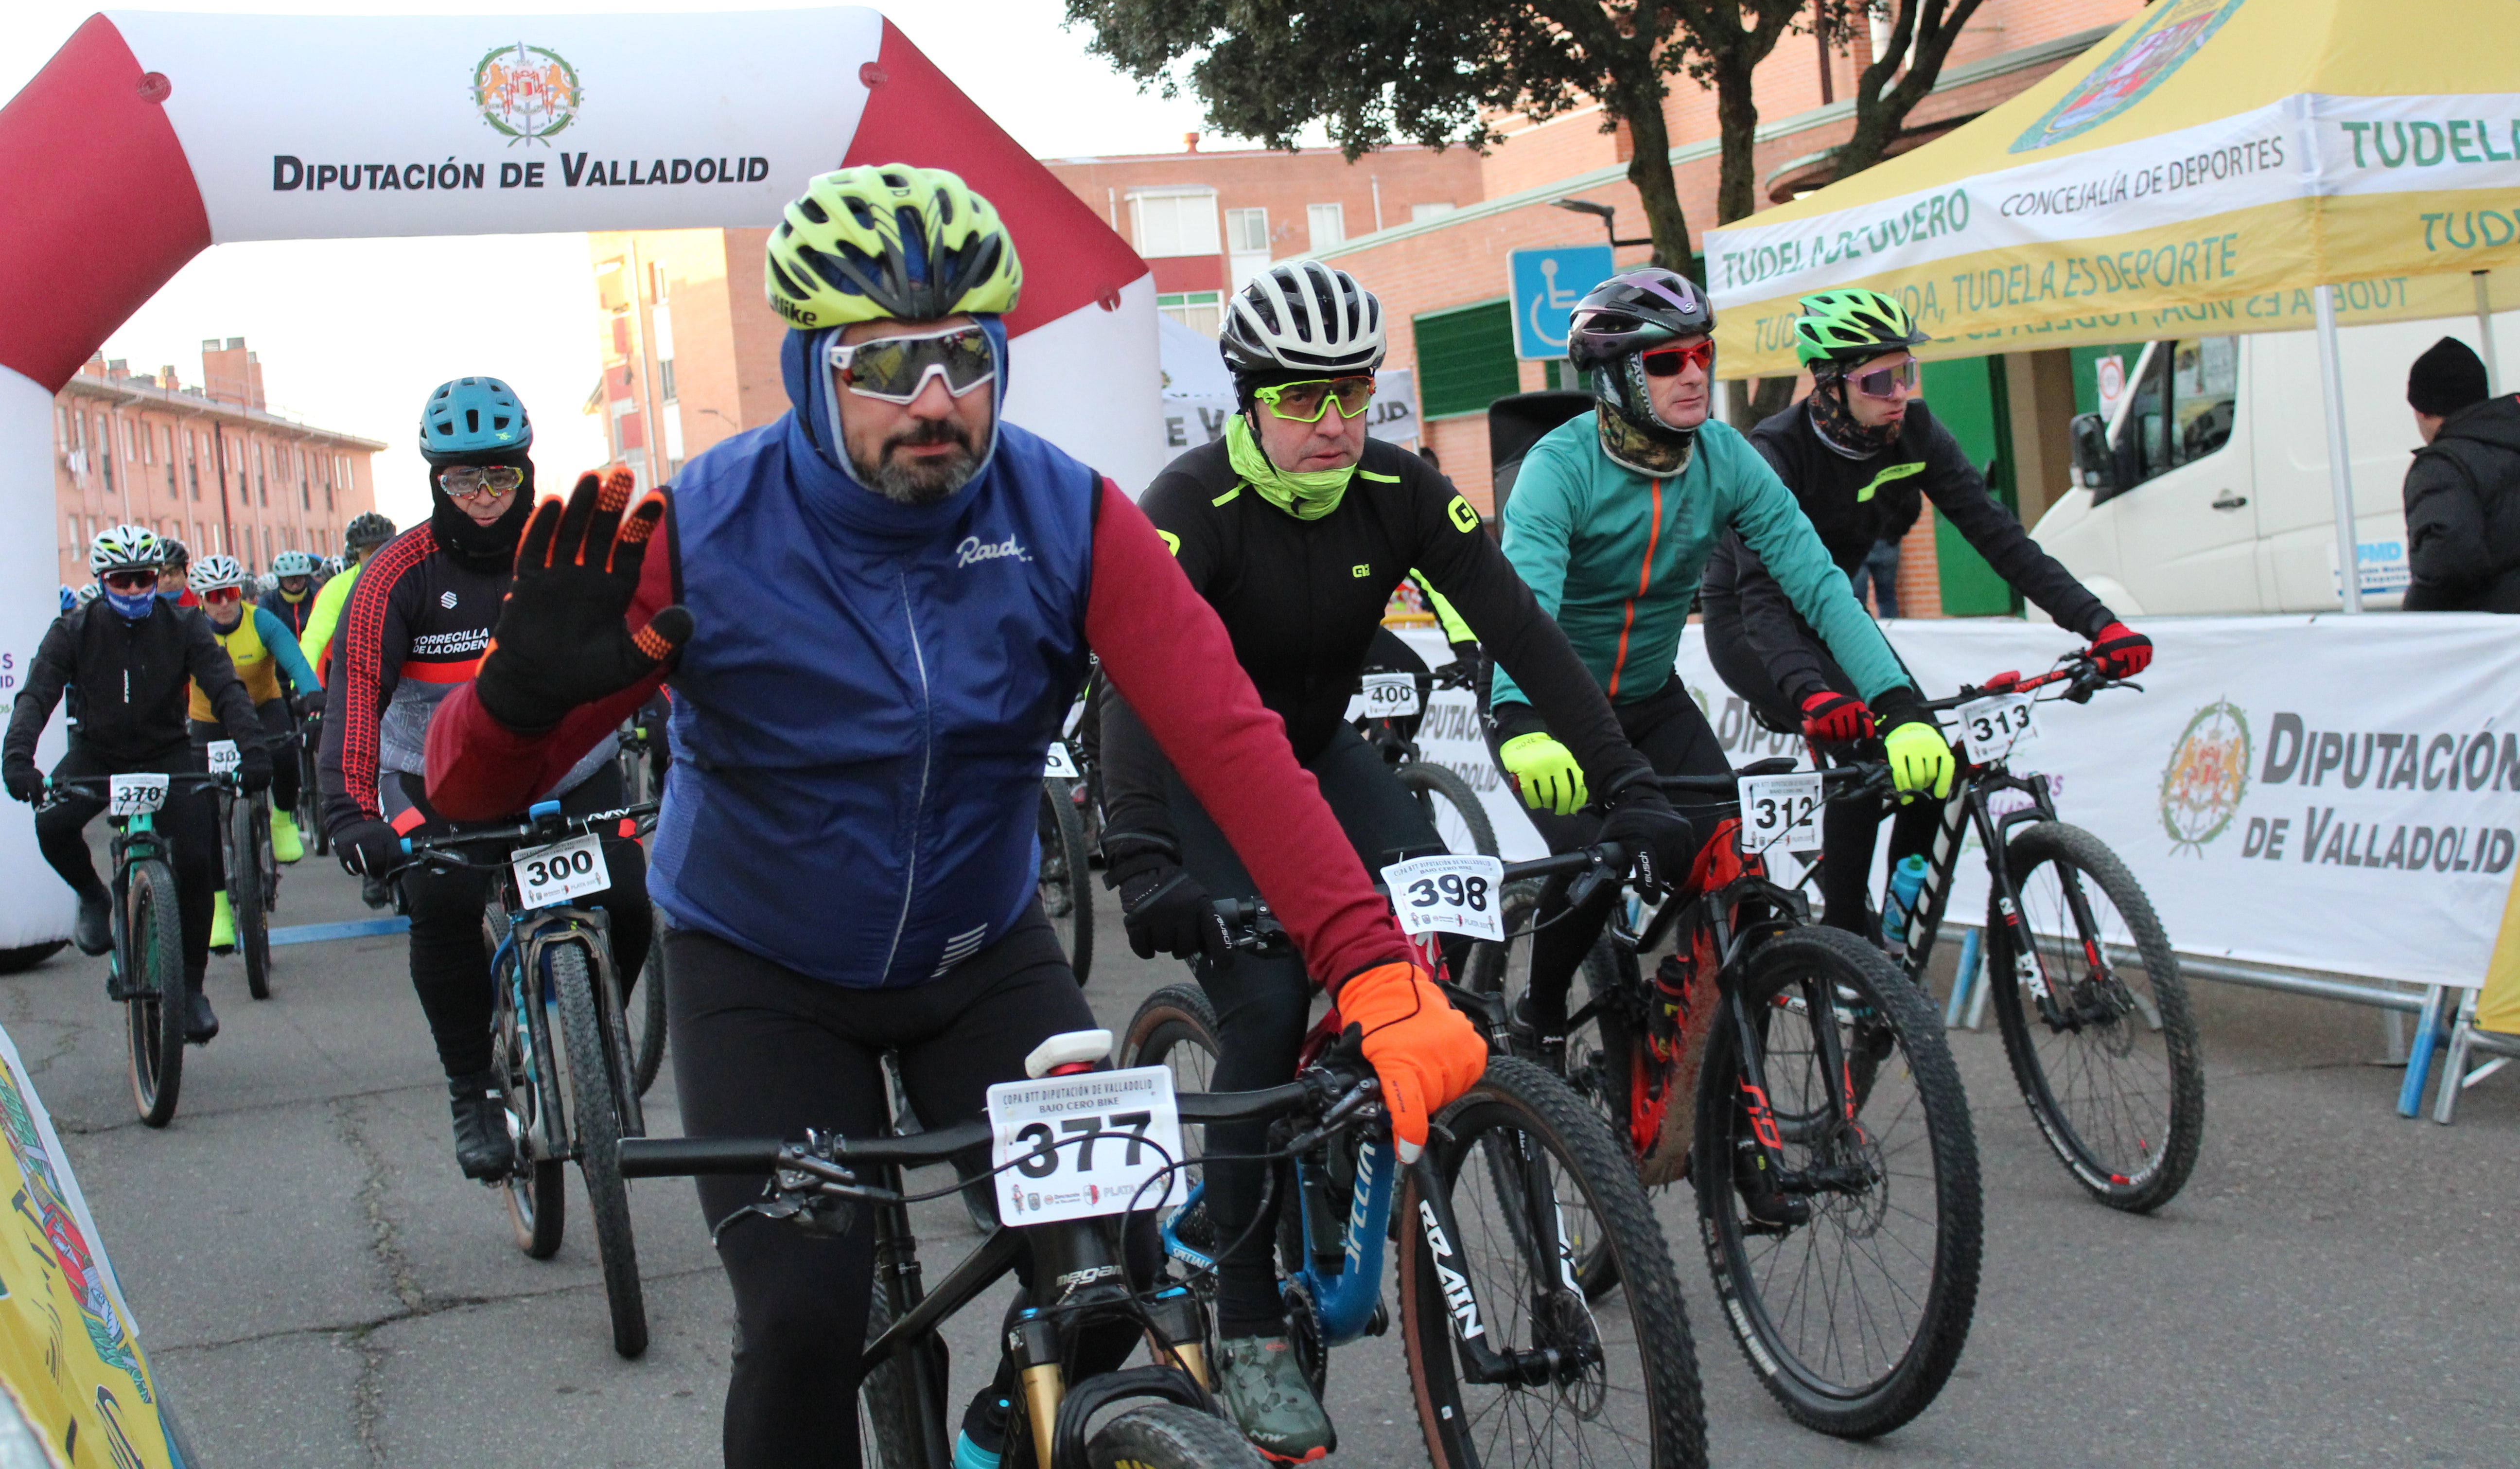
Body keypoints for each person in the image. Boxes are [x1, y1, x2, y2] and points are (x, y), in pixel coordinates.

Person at [419, 165, 1488, 1469]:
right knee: (805, 1325)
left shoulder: (1063, 513)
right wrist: (520, 700)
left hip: (980, 956)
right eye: (887, 366)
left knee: (1124, 1272)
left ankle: (999, 1430)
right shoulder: (699, 529)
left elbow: (1232, 741)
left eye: (966, 359)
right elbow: (470, 792)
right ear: (812, 366)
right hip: (760, 970)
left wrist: (1368, 961)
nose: (936, 404)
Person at [1096, 258, 1692, 1461]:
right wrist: (1142, 851)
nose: (1330, 421)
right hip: (1203, 778)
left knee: (1433, 949)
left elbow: (1516, 623)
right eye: (1301, 397)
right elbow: (1128, 683)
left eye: (1352, 392)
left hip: (1316, 754)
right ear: (1246, 396)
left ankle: (1380, 1134)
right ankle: (1254, 1319)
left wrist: (1626, 780)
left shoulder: (1397, 485)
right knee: (1264, 1002)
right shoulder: (1190, 502)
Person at [1486, 271, 1956, 1145]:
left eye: (1702, 353)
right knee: (1593, 871)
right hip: (1553, 711)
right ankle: (1540, 1015)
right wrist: (1519, 722)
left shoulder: (1724, 458)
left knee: (1727, 876)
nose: (1694, 373)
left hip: (1652, 699)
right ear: (1615, 377)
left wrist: (1899, 705)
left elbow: (1817, 585)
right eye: (1666, 361)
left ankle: (1723, 1093)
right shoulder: (1560, 469)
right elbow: (1525, 614)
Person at [1701, 288, 2152, 934]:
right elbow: (1763, 599)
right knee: (1862, 754)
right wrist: (1812, 692)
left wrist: (2099, 622)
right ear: (1829, 383)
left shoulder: (1913, 430)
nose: (1900, 393)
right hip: (1752, 623)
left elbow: (2001, 539)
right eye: (1880, 379)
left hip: (1838, 619)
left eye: (1907, 373)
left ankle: (1898, 930)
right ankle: (1848, 948)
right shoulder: (1776, 451)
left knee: (1929, 757)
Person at [318, 381, 652, 1183]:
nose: (483, 498)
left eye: (498, 478)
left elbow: (650, 645)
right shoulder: (396, 574)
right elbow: (355, 695)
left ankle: (594, 1028)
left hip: (566, 762)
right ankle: (471, 1089)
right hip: (438, 775)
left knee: (631, 899)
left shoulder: (566, 549)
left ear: (526, 472)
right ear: (435, 481)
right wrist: (347, 811)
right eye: (462, 481)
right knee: (439, 906)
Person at [2, 527, 268, 1045]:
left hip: (167, 754)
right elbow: (36, 695)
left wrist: (253, 750)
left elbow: (225, 687)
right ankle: (94, 896)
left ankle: (190, 988)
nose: (131, 590)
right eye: (120, 581)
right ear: (102, 581)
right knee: (52, 823)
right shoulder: (73, 630)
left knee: (197, 859)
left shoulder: (186, 623)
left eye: (142, 579)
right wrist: (18, 759)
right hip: (97, 754)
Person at [185, 554, 321, 907]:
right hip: (210, 721)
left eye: (230, 593)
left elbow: (296, 663)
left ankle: (282, 820)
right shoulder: (188, 629)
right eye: (214, 597)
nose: (225, 603)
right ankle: (219, 911)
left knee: (285, 756)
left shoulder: (262, 621)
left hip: (263, 708)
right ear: (202, 600)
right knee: (206, 811)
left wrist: (313, 697)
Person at [2402, 335, 2520, 613]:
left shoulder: (2444, 465)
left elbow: (2447, 560)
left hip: (2496, 640)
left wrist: (2412, 622)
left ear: (2422, 411)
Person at [303, 512, 396, 684]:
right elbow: (313, 640)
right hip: (353, 675)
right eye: (370, 551)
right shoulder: (337, 588)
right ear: (355, 555)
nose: (380, 555)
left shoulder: (412, 579)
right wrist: (304, 684)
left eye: (385, 547)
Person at [265, 551, 322, 641]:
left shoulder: (319, 596)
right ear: (281, 580)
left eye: (299, 579)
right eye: (289, 580)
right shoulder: (269, 602)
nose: (295, 585)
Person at [154, 538, 197, 609]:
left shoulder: (201, 605)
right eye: (160, 574)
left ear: (185, 574)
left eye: (174, 572)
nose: (168, 580)